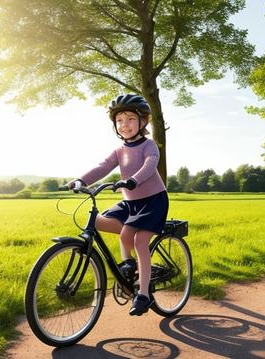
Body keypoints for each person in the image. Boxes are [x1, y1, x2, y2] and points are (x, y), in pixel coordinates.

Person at [67, 94, 168, 316]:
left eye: (131, 119)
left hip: (153, 201)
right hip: (130, 201)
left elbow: (151, 165)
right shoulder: (119, 150)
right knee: (99, 221)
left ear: (143, 121)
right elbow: (103, 167)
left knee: (139, 240)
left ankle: (143, 295)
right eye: (120, 120)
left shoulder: (148, 145)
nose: (125, 125)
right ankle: (128, 265)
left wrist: (133, 180)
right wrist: (81, 180)